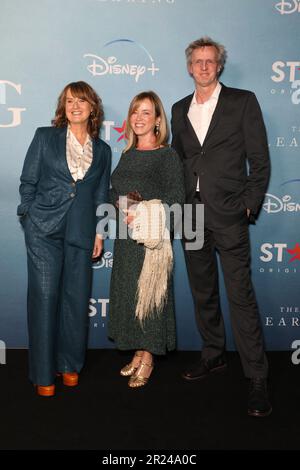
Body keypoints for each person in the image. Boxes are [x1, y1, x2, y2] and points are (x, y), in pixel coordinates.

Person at [171, 37, 272, 417]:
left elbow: (259, 161)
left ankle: (258, 376)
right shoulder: (179, 109)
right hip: (190, 215)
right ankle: (213, 356)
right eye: (197, 61)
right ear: (189, 66)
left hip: (229, 213)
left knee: (240, 296)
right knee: (203, 293)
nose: (203, 66)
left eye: (209, 61)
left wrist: (248, 205)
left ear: (219, 65)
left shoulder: (242, 101)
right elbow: (177, 162)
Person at [17, 81, 111, 397]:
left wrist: (98, 231)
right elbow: (27, 181)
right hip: (43, 231)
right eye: (69, 101)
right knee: (44, 300)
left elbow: (100, 194)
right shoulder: (46, 137)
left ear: (92, 107)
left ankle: (69, 365)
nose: (74, 106)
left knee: (74, 301)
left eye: (81, 100)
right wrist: (29, 215)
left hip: (82, 233)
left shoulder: (103, 150)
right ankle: (43, 374)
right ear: (63, 107)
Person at [108, 91, 185, 388]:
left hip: (151, 242)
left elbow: (176, 199)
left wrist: (144, 212)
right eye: (135, 112)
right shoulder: (127, 154)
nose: (139, 118)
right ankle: (139, 353)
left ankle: (149, 358)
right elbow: (114, 192)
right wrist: (122, 205)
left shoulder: (167, 155)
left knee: (150, 295)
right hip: (127, 239)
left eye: (146, 112)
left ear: (157, 120)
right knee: (131, 295)